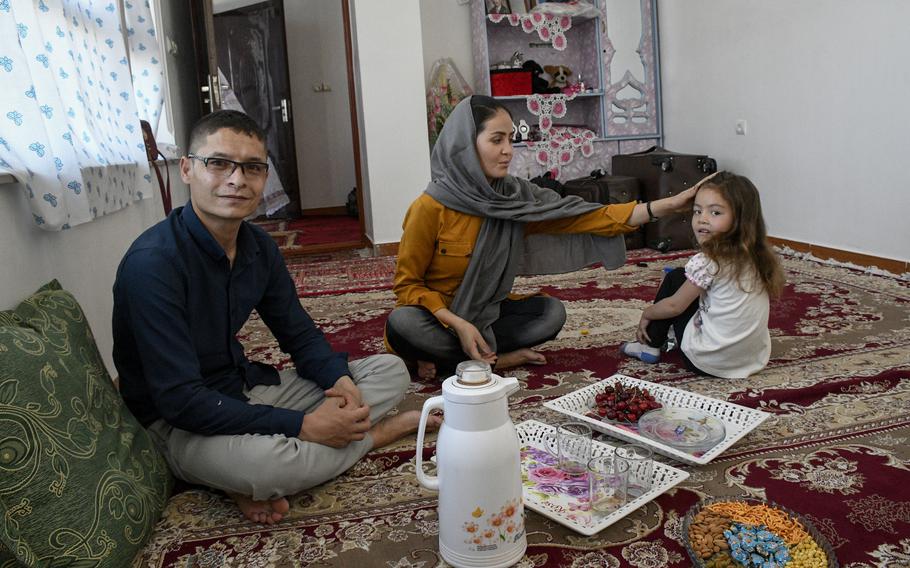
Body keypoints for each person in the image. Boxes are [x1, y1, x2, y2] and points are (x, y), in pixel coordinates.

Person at [112, 110, 439, 525]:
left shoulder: (257, 248)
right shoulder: (153, 265)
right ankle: (371, 437)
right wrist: (303, 426)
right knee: (267, 466)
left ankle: (263, 468)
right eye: (218, 163)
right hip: (176, 423)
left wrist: (338, 384)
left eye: (252, 167)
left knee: (390, 370)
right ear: (187, 170)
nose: (236, 179)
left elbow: (297, 333)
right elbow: (179, 401)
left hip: (241, 388)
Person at [385, 95, 716, 380]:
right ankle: (490, 360)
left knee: (551, 314)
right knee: (403, 323)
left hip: (486, 315)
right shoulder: (430, 207)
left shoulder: (514, 199)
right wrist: (457, 323)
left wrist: (668, 204)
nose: (508, 151)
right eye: (496, 140)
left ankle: (453, 361)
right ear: (465, 146)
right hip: (438, 317)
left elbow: (585, 216)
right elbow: (407, 287)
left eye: (510, 140)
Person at [620, 171, 785, 378]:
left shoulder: (708, 262)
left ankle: (650, 344)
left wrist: (648, 313)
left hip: (706, 361)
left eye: (715, 213)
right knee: (686, 280)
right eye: (697, 211)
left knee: (675, 279)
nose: (702, 219)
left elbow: (674, 306)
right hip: (751, 360)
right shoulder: (759, 256)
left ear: (740, 219)